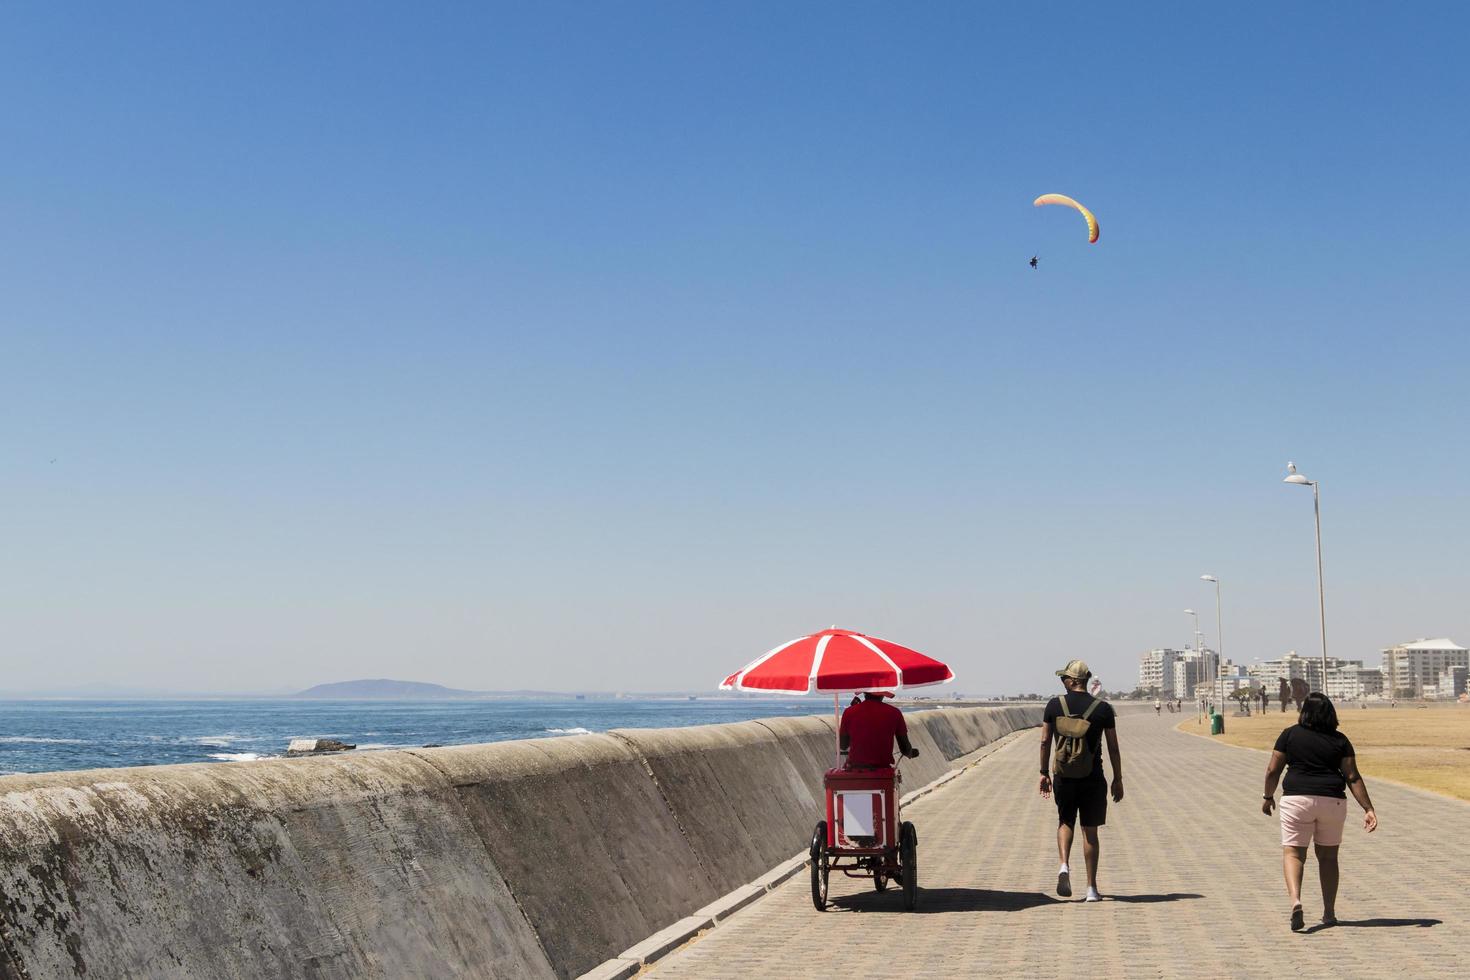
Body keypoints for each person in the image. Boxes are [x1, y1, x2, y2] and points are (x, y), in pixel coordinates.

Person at [1261, 692, 1378, 931]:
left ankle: (1296, 901)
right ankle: (1329, 912)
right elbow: (1352, 776)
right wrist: (1368, 808)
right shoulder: (1340, 740)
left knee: (1293, 854)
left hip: (1296, 800)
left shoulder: (1289, 735)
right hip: (1332, 801)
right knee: (1328, 857)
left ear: (1304, 712)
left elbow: (1273, 770)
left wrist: (1268, 796)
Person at [1039, 660, 1123, 902]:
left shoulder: (1055, 705)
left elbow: (1045, 741)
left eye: (1064, 678)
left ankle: (1064, 865)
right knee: (1090, 832)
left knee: (1065, 821)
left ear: (1074, 681)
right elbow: (1114, 748)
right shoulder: (1103, 709)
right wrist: (1118, 779)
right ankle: (1091, 889)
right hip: (1093, 776)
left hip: (1064, 776)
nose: (1062, 682)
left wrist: (1043, 772)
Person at [839, 691, 920, 768]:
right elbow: (905, 749)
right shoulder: (895, 713)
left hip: (855, 769)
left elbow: (843, 745)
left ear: (864, 693)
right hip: (882, 770)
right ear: (883, 694)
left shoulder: (849, 712)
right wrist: (911, 753)